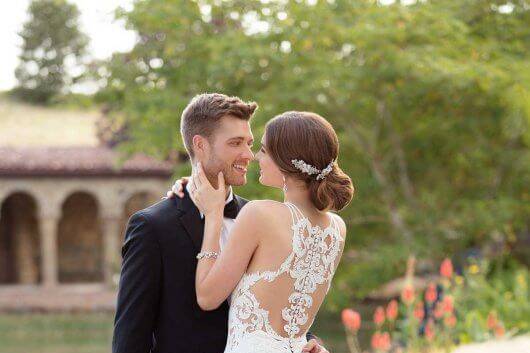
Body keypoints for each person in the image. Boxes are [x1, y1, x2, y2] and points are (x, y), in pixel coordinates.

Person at [112, 94, 328, 353]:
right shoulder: (153, 227)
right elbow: (130, 337)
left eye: (249, 143)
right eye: (235, 143)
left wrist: (307, 343)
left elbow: (280, 305)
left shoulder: (262, 218)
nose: (248, 155)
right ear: (200, 145)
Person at [170, 110, 354, 353]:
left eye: (264, 150)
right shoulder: (336, 229)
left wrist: (213, 214)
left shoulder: (259, 214)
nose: (256, 157)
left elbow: (207, 297)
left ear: (287, 161)